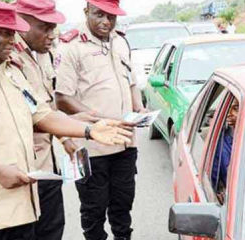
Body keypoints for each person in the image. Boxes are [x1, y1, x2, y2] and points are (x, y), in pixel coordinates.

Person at [0, 1, 132, 239]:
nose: (12, 40)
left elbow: (41, 114)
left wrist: (90, 129)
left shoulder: (11, 72)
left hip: (21, 210)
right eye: (5, 33)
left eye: (14, 33)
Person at [55, 1, 146, 239]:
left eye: (111, 16)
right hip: (91, 148)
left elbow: (132, 81)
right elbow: (62, 98)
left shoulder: (120, 41)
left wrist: (139, 105)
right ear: (86, 12)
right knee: (93, 210)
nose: (106, 21)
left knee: (123, 205)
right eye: (99, 15)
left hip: (125, 144)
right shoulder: (70, 47)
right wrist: (99, 122)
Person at [12, 1, 94, 239]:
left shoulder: (42, 54)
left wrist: (65, 138)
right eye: (45, 28)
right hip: (23, 169)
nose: (51, 36)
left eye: (54, 28)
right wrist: (84, 128)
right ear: (22, 22)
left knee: (53, 228)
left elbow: (46, 106)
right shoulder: (8, 57)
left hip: (48, 164)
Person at [211, 98, 239, 192]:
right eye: (227, 109)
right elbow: (213, 179)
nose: (229, 114)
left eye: (236, 108)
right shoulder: (221, 143)